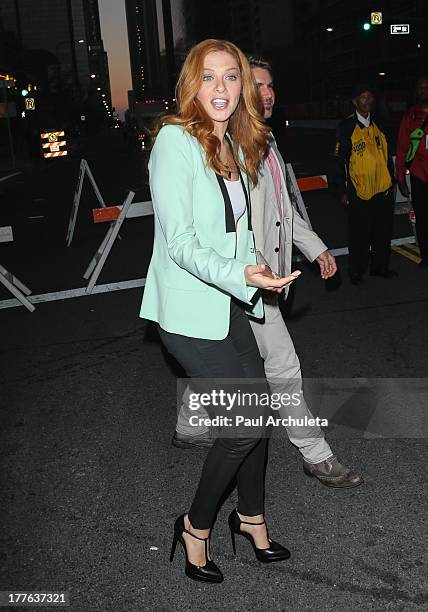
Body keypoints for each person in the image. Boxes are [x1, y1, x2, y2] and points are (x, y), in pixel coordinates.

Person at [140, 40, 297, 584]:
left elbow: (238, 235)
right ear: (192, 84)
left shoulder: (231, 142)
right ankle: (195, 525)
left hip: (228, 303)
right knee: (240, 429)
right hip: (187, 313)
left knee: (259, 416)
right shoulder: (176, 141)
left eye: (232, 77)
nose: (222, 89)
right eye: (210, 78)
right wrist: (241, 275)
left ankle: (250, 519)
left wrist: (260, 273)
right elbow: (180, 241)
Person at [173, 57, 363, 489]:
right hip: (246, 281)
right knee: (282, 366)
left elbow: (282, 212)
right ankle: (316, 455)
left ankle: (188, 426)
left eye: (270, 84)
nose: (268, 92)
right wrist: (251, 273)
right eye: (257, 84)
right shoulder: (229, 148)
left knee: (217, 358)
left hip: (259, 280)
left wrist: (314, 248)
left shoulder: (267, 141)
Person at [330, 84, 397, 285]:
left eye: (370, 97)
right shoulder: (346, 128)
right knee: (359, 234)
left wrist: (392, 181)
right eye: (362, 97)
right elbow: (337, 162)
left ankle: (380, 267)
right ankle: (356, 270)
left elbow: (387, 157)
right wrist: (340, 191)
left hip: (383, 192)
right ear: (354, 101)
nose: (367, 101)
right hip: (359, 193)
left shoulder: (380, 125)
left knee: (382, 233)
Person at [396, 77, 428, 268]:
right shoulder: (411, 116)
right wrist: (400, 177)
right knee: (423, 219)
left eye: (427, 86)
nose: (424, 89)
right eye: (421, 87)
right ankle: (426, 255)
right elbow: (401, 148)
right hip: (419, 175)